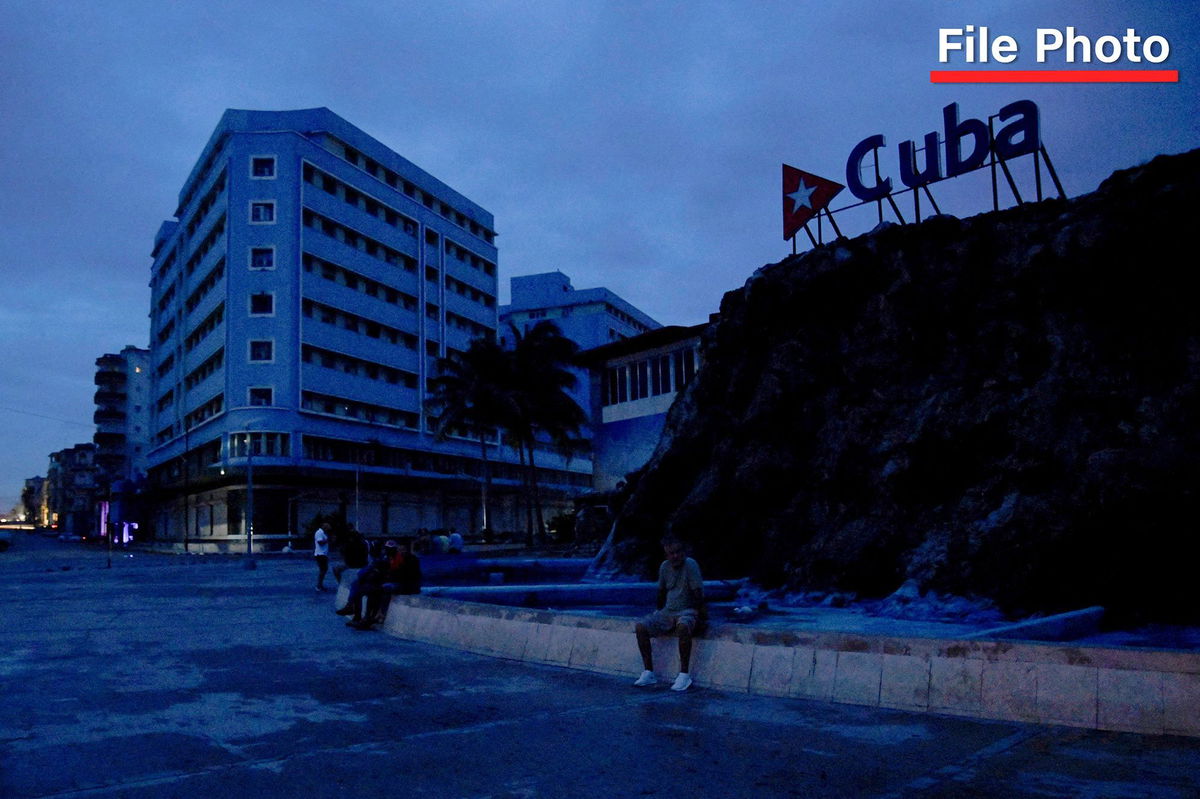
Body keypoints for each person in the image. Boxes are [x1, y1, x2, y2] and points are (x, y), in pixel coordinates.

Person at [633, 535, 705, 692]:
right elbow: (661, 592)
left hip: (687, 610)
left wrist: (699, 615)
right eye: (671, 553)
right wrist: (657, 613)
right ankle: (648, 672)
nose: (675, 556)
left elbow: (698, 593)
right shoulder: (664, 567)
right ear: (666, 554)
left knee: (683, 627)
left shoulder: (691, 565)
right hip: (668, 611)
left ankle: (684, 674)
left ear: (683, 551)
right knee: (641, 627)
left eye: (678, 552)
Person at [361, 538, 422, 625]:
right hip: (401, 583)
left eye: (403, 550)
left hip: (408, 586)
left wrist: (392, 574)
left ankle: (380, 614)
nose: (401, 552)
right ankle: (370, 615)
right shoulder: (397, 559)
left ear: (408, 550)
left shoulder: (411, 560)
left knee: (384, 588)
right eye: (400, 550)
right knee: (376, 590)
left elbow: (406, 575)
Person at [335, 540, 393, 627]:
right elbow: (364, 572)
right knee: (357, 587)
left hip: (381, 583)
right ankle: (356, 614)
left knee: (370, 591)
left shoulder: (387, 559)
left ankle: (365, 617)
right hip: (375, 581)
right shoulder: (379, 559)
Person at [313, 524, 330, 592]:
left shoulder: (323, 533)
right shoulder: (319, 533)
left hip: (323, 554)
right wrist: (328, 540)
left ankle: (320, 585)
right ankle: (318, 585)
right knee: (323, 570)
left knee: (324, 569)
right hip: (320, 554)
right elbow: (320, 542)